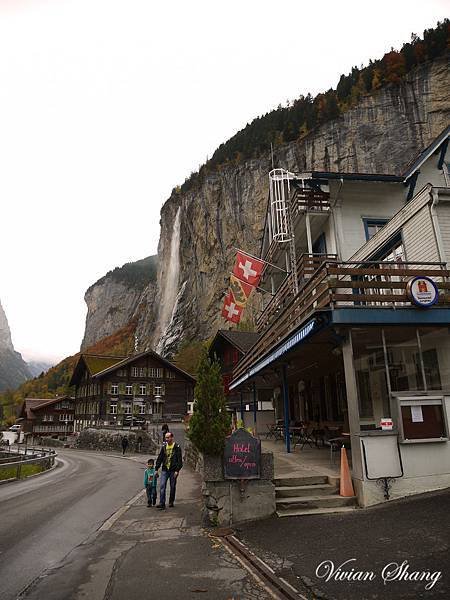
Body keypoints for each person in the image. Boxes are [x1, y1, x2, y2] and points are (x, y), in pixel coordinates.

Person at [155, 431, 182, 509]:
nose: (166, 439)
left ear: (172, 438)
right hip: (165, 469)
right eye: (166, 437)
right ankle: (162, 503)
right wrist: (156, 468)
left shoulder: (177, 447)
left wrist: (177, 470)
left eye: (168, 437)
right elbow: (160, 458)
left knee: (172, 486)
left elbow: (179, 460)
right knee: (162, 486)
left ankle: (171, 502)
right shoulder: (164, 447)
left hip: (173, 470)